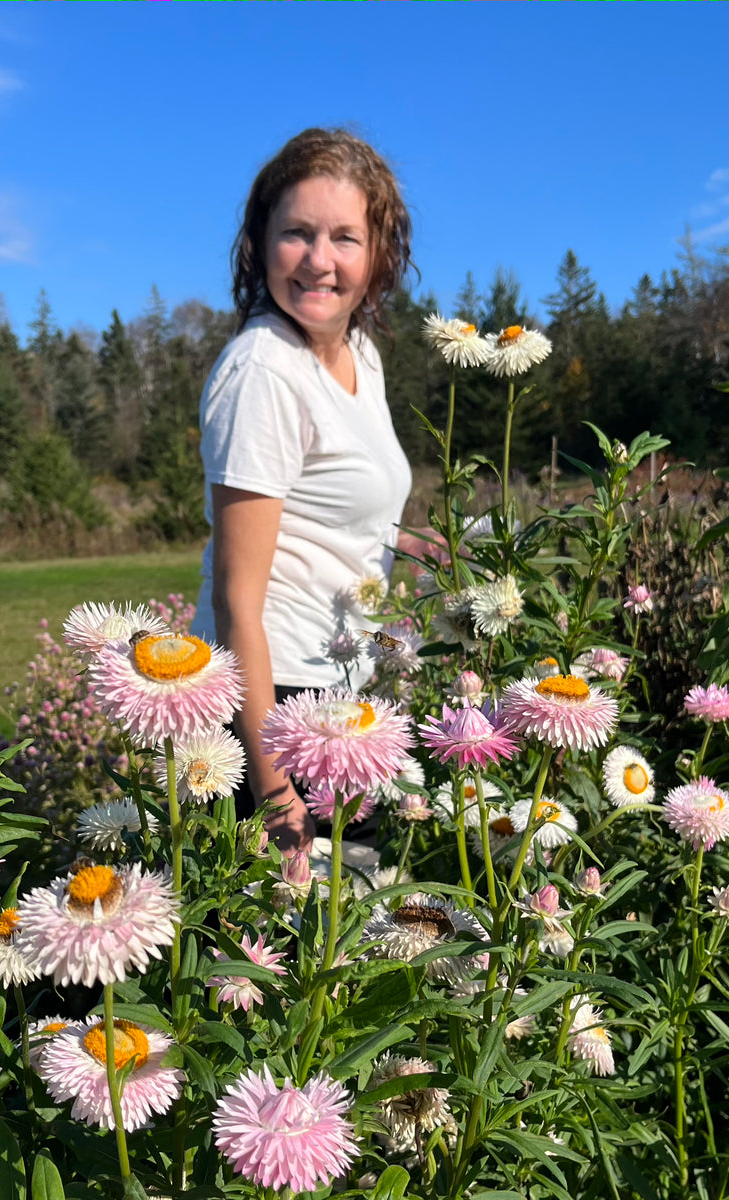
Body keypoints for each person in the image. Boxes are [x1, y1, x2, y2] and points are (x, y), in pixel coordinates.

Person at [191, 127, 422, 853]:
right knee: (289, 954)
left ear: (379, 253)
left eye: (345, 237)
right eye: (297, 233)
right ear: (261, 245)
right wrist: (275, 791)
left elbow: (336, 517)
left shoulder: (359, 351)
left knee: (359, 936)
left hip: (344, 689)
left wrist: (416, 547)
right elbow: (238, 603)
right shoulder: (264, 370)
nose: (320, 260)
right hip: (276, 705)